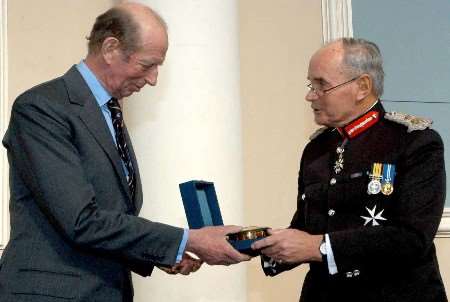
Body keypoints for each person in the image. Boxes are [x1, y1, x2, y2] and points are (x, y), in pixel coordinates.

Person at [0, 2, 249, 301]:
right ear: (110, 48)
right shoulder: (42, 108)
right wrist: (186, 239)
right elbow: (81, 221)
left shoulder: (109, 113)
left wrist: (159, 253)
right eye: (147, 65)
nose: (153, 79)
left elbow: (110, 216)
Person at [252, 38, 448, 302]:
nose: (310, 95)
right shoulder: (317, 149)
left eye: (322, 85)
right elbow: (306, 228)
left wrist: (320, 247)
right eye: (312, 85)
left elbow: (412, 238)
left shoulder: (414, 141)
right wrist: (249, 244)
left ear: (362, 86)